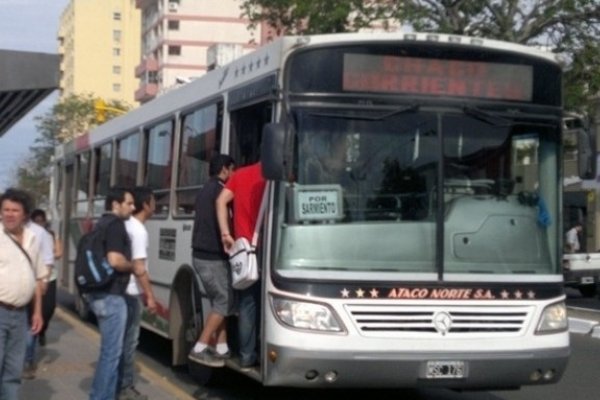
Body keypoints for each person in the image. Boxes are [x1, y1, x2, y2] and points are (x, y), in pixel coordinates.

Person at [86, 186, 144, 400]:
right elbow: (115, 261)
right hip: (111, 296)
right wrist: (134, 267)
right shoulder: (116, 225)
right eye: (129, 203)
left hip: (98, 294)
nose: (133, 207)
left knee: (109, 352)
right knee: (111, 354)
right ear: (115, 205)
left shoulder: (100, 223)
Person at [216, 161, 266, 369]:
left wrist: (226, 234)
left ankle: (247, 356)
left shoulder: (241, 175)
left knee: (247, 304)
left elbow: (220, 201)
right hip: (269, 249)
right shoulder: (277, 175)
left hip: (244, 250)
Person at [188, 154, 235, 367]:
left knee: (220, 300)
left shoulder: (203, 190)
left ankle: (222, 346)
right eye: (232, 170)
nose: (234, 175)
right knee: (224, 301)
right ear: (225, 169)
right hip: (212, 256)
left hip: (201, 255)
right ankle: (200, 346)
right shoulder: (220, 193)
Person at [0, 188, 46, 400]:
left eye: (14, 210)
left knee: (13, 372)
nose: (9, 214)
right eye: (5, 209)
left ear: (25, 214)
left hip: (20, 316)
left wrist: (37, 312)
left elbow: (38, 277)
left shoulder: (32, 238)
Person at [117, 186, 158, 400]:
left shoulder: (125, 225)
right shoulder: (139, 231)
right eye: (154, 201)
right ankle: (125, 387)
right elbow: (139, 267)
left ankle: (117, 385)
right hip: (130, 292)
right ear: (146, 205)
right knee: (129, 342)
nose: (156, 205)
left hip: (118, 291)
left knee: (118, 342)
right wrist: (150, 295)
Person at [22, 209, 55, 379]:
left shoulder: (39, 233)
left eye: (16, 210)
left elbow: (48, 260)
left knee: (30, 325)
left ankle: (28, 360)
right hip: (7, 294)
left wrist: (44, 283)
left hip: (32, 288)